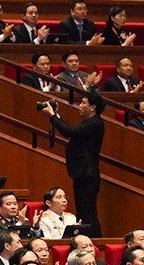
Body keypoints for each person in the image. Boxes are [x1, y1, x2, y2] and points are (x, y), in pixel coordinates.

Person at [41, 89, 104, 234]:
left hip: (87, 173)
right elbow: (70, 130)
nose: (80, 105)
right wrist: (55, 115)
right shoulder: (91, 122)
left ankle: (94, 241)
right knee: (84, 210)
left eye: (83, 103)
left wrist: (52, 116)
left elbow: (69, 131)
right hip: (83, 173)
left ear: (92, 107)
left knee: (87, 212)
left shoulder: (95, 123)